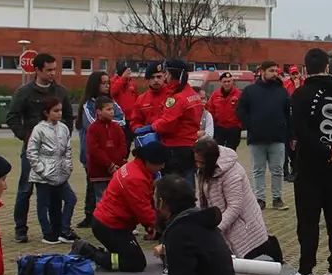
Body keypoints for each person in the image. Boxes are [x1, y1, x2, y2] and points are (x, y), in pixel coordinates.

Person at [278, 48, 332, 275]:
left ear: (305, 69)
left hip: (310, 166)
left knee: (308, 218)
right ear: (328, 67)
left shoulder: (301, 95)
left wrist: (326, 150)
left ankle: (305, 272)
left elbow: (302, 132)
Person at [5, 52, 73, 243]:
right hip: (32, 150)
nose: (53, 73)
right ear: (37, 70)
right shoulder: (24, 92)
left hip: (55, 152)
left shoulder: (60, 91)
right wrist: (27, 137)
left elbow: (68, 116)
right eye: (49, 70)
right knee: (25, 189)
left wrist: (63, 135)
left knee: (56, 189)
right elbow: (12, 117)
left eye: (54, 69)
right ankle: (21, 228)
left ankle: (55, 228)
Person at [71, 142, 169, 272]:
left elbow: (142, 205)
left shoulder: (133, 168)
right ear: (149, 161)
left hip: (107, 222)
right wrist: (164, 227)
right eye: (160, 163)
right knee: (135, 262)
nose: (162, 167)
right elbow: (143, 210)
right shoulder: (136, 179)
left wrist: (150, 226)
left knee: (128, 254)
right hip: (111, 226)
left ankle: (101, 254)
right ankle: (90, 253)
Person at [193, 137, 283, 262]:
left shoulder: (232, 174)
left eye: (201, 163)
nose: (198, 165)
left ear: (211, 160)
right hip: (222, 218)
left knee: (249, 253)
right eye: (196, 162)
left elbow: (235, 207)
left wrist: (217, 228)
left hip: (243, 221)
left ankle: (270, 244)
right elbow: (201, 196)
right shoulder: (205, 168)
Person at [136, 60, 203, 192]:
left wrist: (151, 127)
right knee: (188, 187)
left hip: (174, 149)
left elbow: (166, 124)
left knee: (173, 191)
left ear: (172, 75)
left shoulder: (176, 98)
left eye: (166, 73)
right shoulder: (192, 94)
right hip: (189, 146)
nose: (164, 77)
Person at [236, 61, 292, 211]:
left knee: (278, 170)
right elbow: (240, 111)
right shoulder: (250, 91)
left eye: (276, 71)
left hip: (277, 137)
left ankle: (277, 198)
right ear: (262, 71)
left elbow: (289, 113)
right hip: (257, 138)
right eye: (271, 70)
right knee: (258, 170)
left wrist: (288, 131)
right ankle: (259, 199)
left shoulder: (282, 91)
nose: (275, 74)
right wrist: (250, 125)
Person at [76, 70, 127, 229]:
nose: (106, 86)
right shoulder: (88, 104)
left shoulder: (112, 103)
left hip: (113, 158)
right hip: (92, 156)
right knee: (93, 187)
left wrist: (112, 121)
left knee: (111, 190)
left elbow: (122, 119)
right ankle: (91, 215)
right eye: (103, 83)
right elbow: (91, 122)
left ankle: (108, 217)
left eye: (108, 83)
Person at [26, 98, 79, 245]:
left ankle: (64, 229)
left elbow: (67, 149)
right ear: (46, 112)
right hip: (43, 174)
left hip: (60, 173)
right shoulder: (39, 129)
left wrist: (67, 166)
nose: (59, 113)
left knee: (70, 199)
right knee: (44, 204)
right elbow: (31, 152)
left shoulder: (63, 128)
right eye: (55, 111)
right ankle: (48, 233)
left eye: (60, 110)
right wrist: (41, 170)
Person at [85, 96, 128, 225]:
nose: (112, 112)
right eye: (108, 109)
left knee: (118, 197)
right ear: (98, 111)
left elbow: (123, 145)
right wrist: (108, 163)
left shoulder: (116, 127)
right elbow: (94, 149)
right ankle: (103, 223)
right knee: (102, 197)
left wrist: (118, 162)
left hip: (116, 170)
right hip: (99, 171)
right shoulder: (93, 129)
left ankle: (119, 221)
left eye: (112, 109)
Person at [208, 73, 243, 150]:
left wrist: (240, 125)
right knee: (218, 150)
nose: (227, 84)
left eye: (229, 81)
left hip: (234, 128)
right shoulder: (215, 94)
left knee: (231, 151)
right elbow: (210, 110)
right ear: (221, 82)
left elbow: (244, 110)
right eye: (225, 82)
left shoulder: (239, 94)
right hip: (219, 128)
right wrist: (213, 125)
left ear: (232, 82)